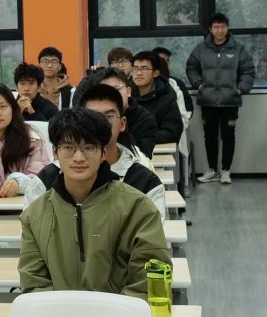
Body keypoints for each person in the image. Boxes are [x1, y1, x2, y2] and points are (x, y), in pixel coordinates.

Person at [19, 108, 172, 296]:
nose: (78, 157)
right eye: (69, 147)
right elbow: (33, 281)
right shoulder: (35, 215)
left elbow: (149, 277)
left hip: (120, 313)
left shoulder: (138, 208)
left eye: (89, 147)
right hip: (57, 313)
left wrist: (113, 312)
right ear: (55, 152)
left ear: (103, 153)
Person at [187, 11, 253, 184]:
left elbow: (248, 70)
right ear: (210, 29)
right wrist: (198, 85)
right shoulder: (201, 48)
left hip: (230, 101)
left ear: (227, 27)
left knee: (228, 136)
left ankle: (225, 171)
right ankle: (211, 170)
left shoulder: (238, 48)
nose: (220, 30)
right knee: (209, 136)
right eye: (216, 27)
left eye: (223, 26)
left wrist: (241, 88)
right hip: (207, 101)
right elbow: (191, 67)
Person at [70, 83, 167, 195]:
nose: (102, 123)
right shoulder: (60, 171)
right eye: (93, 116)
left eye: (109, 116)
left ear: (122, 123)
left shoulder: (144, 179)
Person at [95, 68, 163, 154]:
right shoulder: (92, 117)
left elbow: (141, 156)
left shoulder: (145, 120)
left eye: (117, 89)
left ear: (128, 91)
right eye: (106, 90)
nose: (112, 94)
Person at [128, 50, 184, 144]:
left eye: (144, 69)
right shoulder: (125, 94)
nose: (138, 73)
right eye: (135, 69)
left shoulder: (166, 96)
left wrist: (142, 139)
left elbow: (172, 132)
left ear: (156, 73)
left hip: (156, 148)